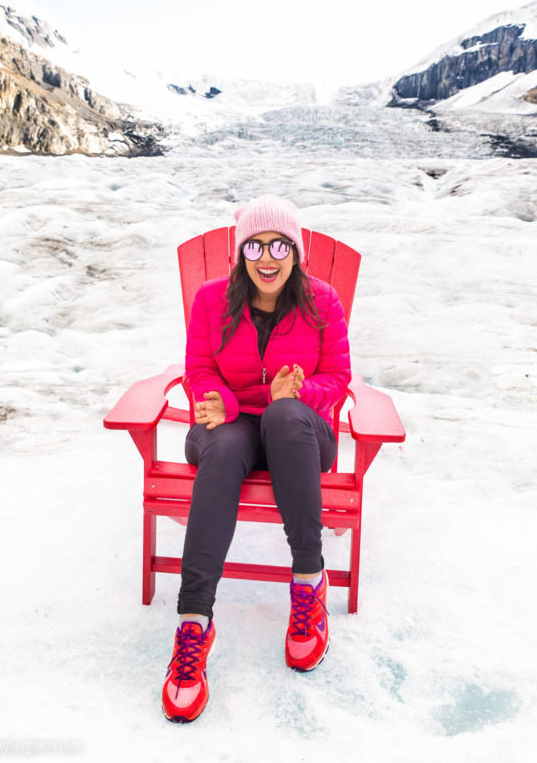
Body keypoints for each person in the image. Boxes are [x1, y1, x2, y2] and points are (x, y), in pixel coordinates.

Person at [162, 195, 352, 723]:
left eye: (279, 244)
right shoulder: (210, 301)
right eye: (254, 244)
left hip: (300, 429)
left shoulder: (323, 301)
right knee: (222, 448)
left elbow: (339, 377)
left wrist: (302, 393)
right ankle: (194, 621)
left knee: (283, 417)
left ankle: (308, 581)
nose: (267, 257)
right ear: (239, 252)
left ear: (296, 251)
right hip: (230, 425)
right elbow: (197, 369)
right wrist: (216, 397)